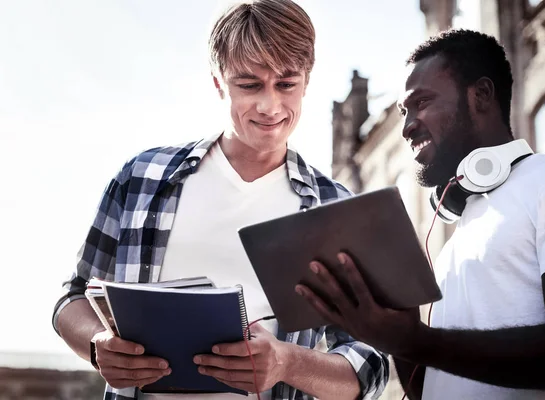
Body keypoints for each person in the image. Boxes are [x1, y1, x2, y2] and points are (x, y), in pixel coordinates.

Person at [51, 1, 389, 399]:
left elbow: (370, 364)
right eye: (249, 85)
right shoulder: (142, 178)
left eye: (286, 84)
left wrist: (287, 362)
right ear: (217, 82)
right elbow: (73, 297)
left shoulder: (334, 208)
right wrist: (96, 345)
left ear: (307, 81)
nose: (270, 106)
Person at [296, 29, 545, 399]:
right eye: (404, 111)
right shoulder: (456, 241)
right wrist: (392, 329)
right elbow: (434, 387)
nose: (407, 126)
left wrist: (418, 340)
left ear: (481, 96)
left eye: (421, 102)